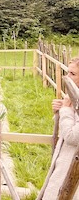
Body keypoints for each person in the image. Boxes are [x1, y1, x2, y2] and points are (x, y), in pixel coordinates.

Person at [39, 57, 79, 200]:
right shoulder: (74, 98)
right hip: (64, 163)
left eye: (73, 74)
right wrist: (59, 111)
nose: (67, 77)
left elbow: (72, 136)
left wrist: (66, 110)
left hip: (73, 170)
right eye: (68, 73)